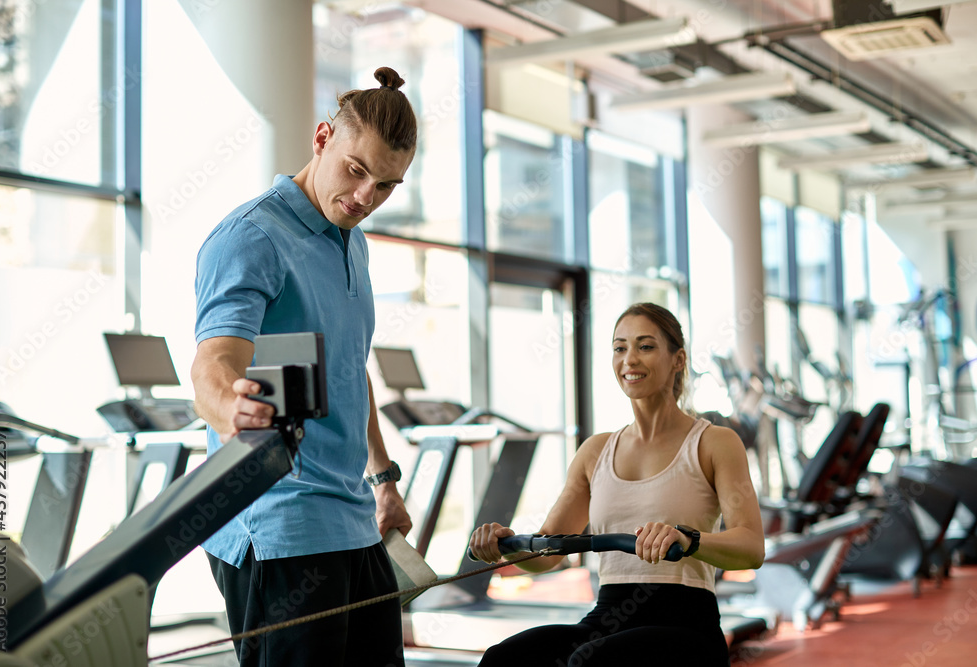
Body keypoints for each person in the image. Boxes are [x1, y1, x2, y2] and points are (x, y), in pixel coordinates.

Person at [190, 66, 416, 667]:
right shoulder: (252, 237)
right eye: (356, 170)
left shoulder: (352, 241)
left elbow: (349, 366)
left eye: (387, 185)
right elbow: (215, 357)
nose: (366, 197)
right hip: (279, 526)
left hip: (353, 523)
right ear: (322, 139)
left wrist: (383, 478)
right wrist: (230, 407)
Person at [469, 302, 765, 666]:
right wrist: (504, 547)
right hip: (607, 617)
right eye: (619, 347)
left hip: (687, 623)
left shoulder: (714, 443)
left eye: (645, 346)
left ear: (678, 359)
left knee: (593, 662)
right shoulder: (595, 451)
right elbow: (547, 553)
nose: (630, 360)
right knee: (507, 659)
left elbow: (751, 547)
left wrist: (688, 540)